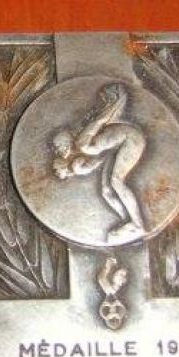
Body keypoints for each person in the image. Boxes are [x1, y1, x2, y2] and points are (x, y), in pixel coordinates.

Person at [51, 83, 146, 242]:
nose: (59, 151)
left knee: (116, 181)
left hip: (131, 139)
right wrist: (74, 169)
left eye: (59, 147)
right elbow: (98, 160)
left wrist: (117, 102)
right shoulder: (82, 155)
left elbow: (100, 120)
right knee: (106, 191)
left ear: (66, 142)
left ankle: (138, 225)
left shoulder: (81, 143)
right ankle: (127, 221)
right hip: (116, 147)